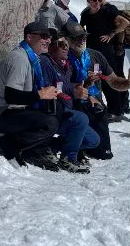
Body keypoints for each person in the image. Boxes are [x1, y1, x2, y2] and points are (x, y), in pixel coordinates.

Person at [0, 21, 84, 173]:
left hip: (15, 109)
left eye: (49, 37)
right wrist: (40, 94)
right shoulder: (19, 59)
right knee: (48, 122)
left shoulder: (32, 57)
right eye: (44, 36)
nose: (49, 40)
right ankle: (9, 143)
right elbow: (11, 97)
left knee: (56, 108)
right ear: (29, 37)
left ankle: (38, 149)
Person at [64, 21, 130, 160]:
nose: (81, 40)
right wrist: (83, 88)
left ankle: (87, 146)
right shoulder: (63, 59)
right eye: (76, 38)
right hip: (76, 107)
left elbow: (113, 81)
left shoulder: (96, 56)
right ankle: (71, 149)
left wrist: (127, 83)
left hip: (97, 108)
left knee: (104, 155)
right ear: (67, 40)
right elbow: (62, 87)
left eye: (83, 37)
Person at [40, 32, 97, 169]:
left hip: (67, 110)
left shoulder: (67, 65)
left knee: (93, 140)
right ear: (51, 47)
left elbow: (68, 86)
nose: (66, 47)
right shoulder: (45, 62)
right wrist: (73, 92)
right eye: (61, 44)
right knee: (82, 119)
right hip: (52, 112)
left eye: (67, 44)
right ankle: (68, 159)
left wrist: (85, 85)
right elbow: (46, 88)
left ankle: (50, 147)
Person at [81, 0, 129, 118]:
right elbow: (81, 29)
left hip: (107, 52)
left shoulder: (108, 11)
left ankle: (116, 110)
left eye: (99, 0)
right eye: (94, 0)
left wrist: (111, 34)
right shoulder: (85, 14)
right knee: (96, 79)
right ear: (88, 0)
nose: (97, 2)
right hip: (93, 52)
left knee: (109, 79)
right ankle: (103, 107)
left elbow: (125, 23)